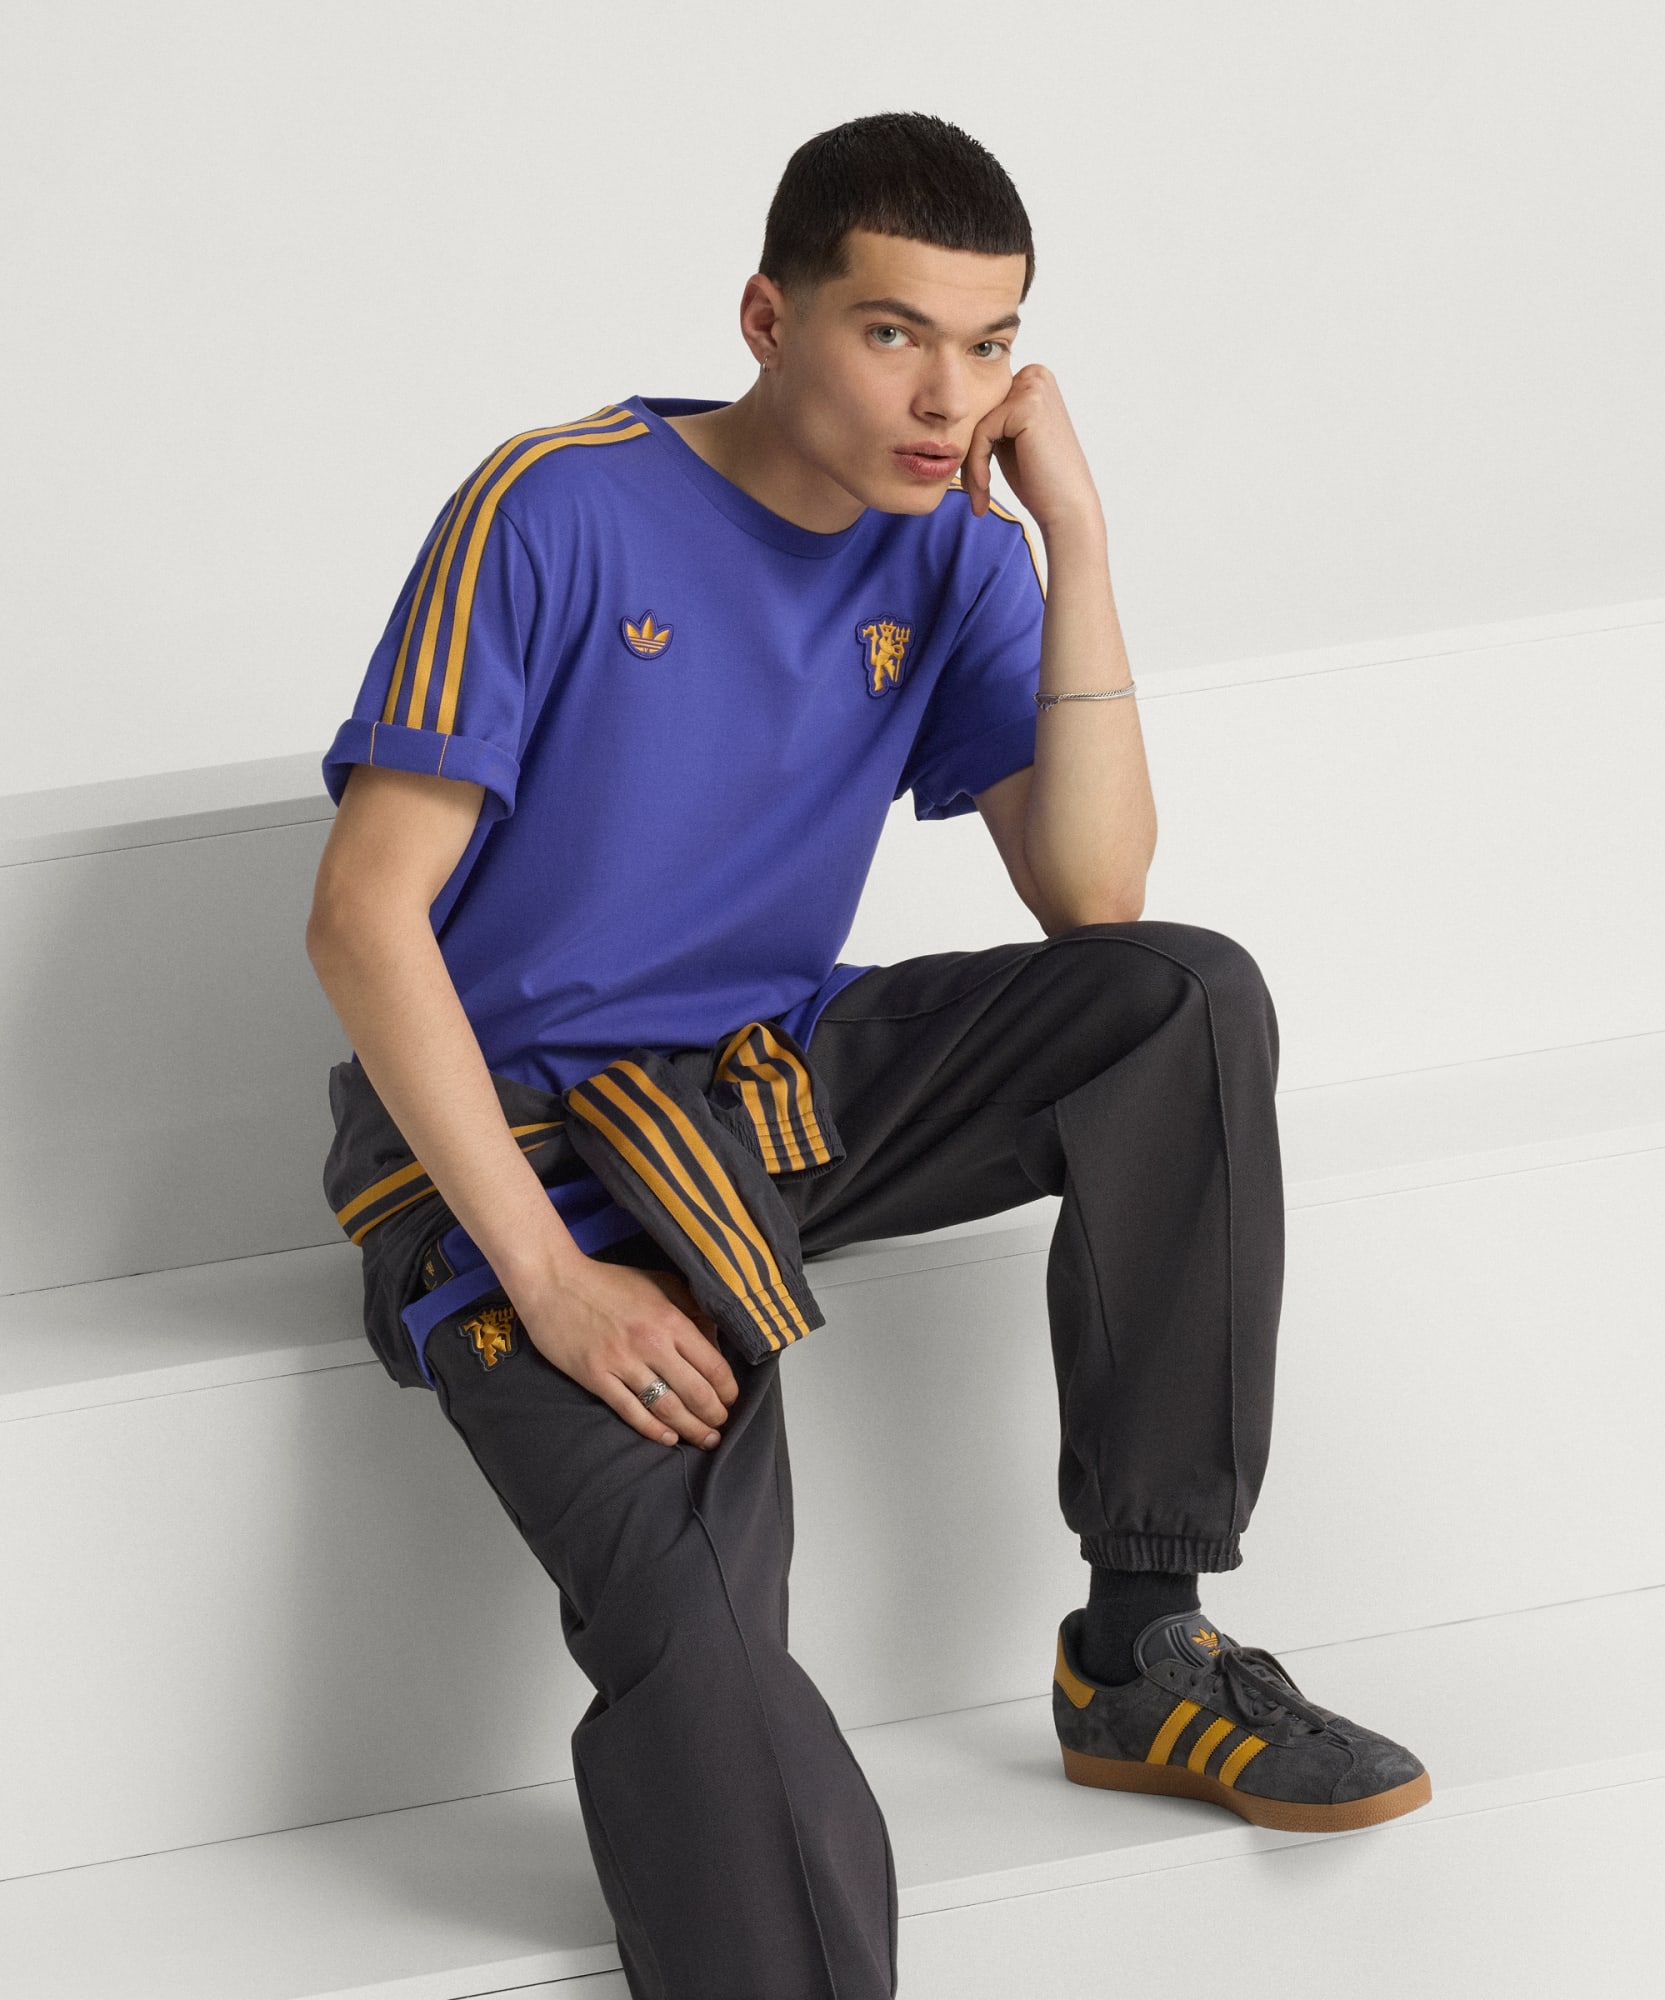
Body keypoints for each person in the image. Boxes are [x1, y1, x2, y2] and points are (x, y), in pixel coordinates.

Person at [305, 110, 1428, 2000]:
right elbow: (362, 918)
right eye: (895, 332)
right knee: (703, 1634)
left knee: (1179, 1002)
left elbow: (1096, 897)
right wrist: (556, 1284)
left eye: (990, 346)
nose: (946, 396)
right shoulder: (559, 507)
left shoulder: (955, 554)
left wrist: (1076, 542)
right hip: (531, 1148)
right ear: (769, 318)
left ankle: (1142, 1646)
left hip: (771, 1086)